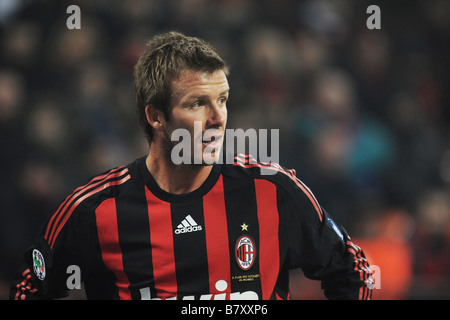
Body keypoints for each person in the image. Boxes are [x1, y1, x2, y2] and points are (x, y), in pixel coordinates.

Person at [10, 31, 373, 300]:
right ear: (156, 116)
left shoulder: (273, 190)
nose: (218, 118)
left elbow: (354, 271)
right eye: (198, 103)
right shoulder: (95, 210)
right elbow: (30, 290)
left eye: (223, 100)